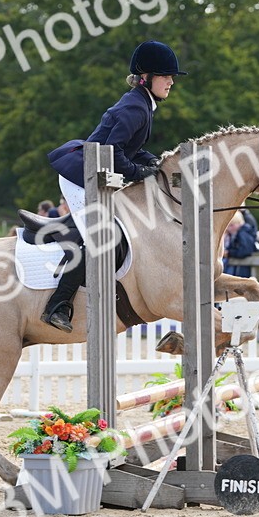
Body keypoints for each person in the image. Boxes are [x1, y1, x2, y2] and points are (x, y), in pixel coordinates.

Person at [40, 40, 185, 332]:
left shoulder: (141, 103)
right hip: (81, 177)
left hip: (95, 172)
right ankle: (58, 305)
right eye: (165, 76)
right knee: (100, 238)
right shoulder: (136, 107)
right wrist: (139, 173)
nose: (171, 81)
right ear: (146, 77)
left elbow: (130, 149)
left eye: (171, 76)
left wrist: (156, 163)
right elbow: (113, 151)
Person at [223, 211, 258, 277]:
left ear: (239, 223)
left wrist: (229, 253)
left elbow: (245, 251)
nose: (228, 228)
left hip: (244, 270)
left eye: (231, 225)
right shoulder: (236, 234)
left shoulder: (243, 234)